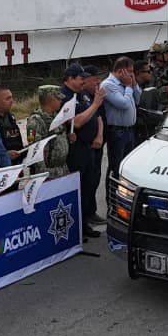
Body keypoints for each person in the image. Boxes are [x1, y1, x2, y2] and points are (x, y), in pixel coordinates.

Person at [60, 64, 106, 238]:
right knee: (78, 187)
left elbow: (97, 116)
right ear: (70, 79)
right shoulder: (64, 96)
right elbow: (76, 122)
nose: (83, 81)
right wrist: (95, 104)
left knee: (89, 185)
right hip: (76, 148)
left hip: (90, 146)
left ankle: (85, 223)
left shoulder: (82, 94)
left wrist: (99, 135)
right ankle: (75, 228)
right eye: (80, 78)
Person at [101, 56, 141, 185]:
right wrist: (129, 86)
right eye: (129, 71)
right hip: (117, 132)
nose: (131, 75)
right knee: (116, 168)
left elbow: (138, 99)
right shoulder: (108, 85)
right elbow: (123, 104)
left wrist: (134, 85)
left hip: (129, 130)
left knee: (127, 168)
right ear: (121, 71)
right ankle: (112, 200)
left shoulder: (127, 84)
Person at [25, 85, 71, 178]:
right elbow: (34, 149)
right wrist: (43, 174)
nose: (61, 101)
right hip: (47, 173)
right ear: (50, 99)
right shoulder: (35, 121)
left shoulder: (57, 116)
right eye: (58, 99)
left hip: (62, 169)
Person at [82, 65, 108, 225]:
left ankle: (91, 211)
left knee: (95, 178)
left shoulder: (94, 95)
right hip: (88, 145)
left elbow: (99, 117)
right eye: (94, 79)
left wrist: (100, 135)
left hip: (97, 143)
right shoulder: (84, 96)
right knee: (88, 181)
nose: (98, 81)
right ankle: (87, 214)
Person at [0, 85, 25, 166]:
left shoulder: (11, 117)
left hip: (17, 164)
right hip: (1, 167)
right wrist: (5, 155)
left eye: (11, 97)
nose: (12, 101)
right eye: (7, 99)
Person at [134, 59, 163, 142]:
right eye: (148, 71)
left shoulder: (148, 84)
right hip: (138, 130)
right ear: (138, 73)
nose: (151, 73)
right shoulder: (133, 89)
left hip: (148, 127)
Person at [149, 41, 168, 108]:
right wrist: (164, 89)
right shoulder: (152, 72)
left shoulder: (165, 69)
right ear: (158, 56)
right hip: (159, 109)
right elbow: (149, 94)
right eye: (165, 53)